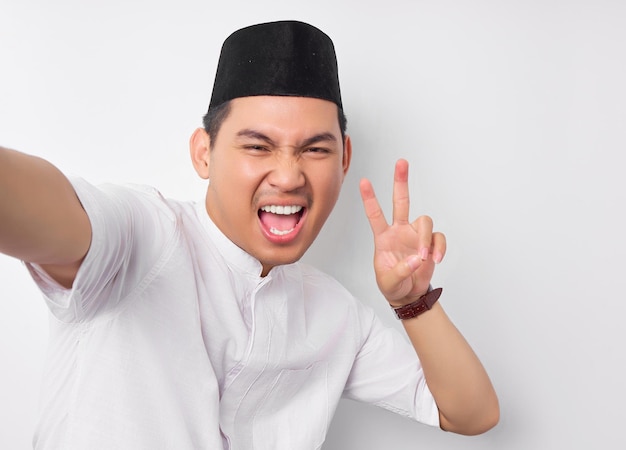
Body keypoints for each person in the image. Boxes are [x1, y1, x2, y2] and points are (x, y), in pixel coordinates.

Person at [0, 20, 498, 449]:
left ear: (344, 159)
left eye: (315, 150)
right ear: (204, 153)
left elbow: (470, 414)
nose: (288, 176)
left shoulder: (335, 314)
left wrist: (414, 301)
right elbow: (51, 211)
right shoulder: (142, 236)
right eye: (258, 146)